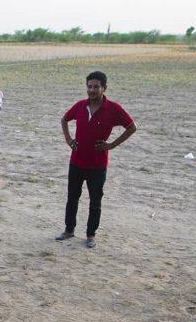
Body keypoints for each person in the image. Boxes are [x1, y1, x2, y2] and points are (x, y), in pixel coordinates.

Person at [56, 70, 136, 248]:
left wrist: (112, 145)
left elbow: (132, 127)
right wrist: (68, 139)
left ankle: (90, 235)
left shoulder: (113, 109)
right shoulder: (80, 106)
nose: (92, 90)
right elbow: (64, 119)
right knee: (72, 197)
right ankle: (69, 230)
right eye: (89, 86)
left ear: (104, 88)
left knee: (95, 201)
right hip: (76, 161)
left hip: (98, 165)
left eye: (96, 87)